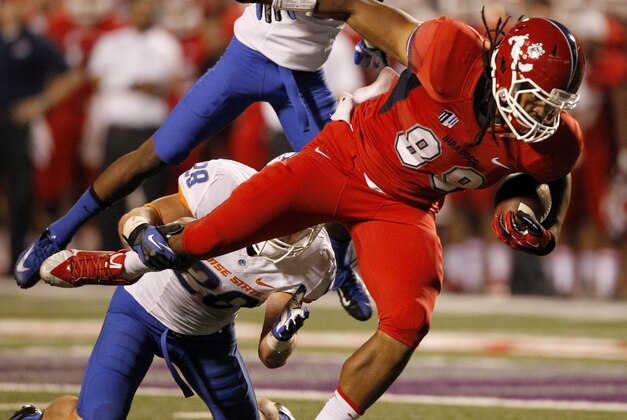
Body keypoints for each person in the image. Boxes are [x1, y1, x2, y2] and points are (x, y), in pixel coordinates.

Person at [105, 0, 586, 417]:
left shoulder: (555, 138)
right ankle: (108, 264)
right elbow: (357, 8)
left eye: (555, 105)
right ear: (504, 74)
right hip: (346, 157)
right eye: (538, 101)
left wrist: (538, 215)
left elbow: (546, 174)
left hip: (405, 205)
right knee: (212, 235)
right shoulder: (452, 53)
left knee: (409, 320)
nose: (545, 116)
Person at [15, 0, 376, 322]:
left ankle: (342, 268)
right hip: (247, 58)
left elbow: (369, 14)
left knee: (342, 180)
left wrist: (373, 37)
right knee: (154, 154)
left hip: (302, 72)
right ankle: (57, 233)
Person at [13, 157, 334, 420]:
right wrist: (141, 234)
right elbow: (138, 217)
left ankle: (269, 415)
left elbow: (269, 356)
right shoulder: (223, 185)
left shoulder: (315, 261)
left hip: (209, 338)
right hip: (140, 310)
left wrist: (281, 338)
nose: (292, 229)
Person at [0, 0, 82, 273]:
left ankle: (15, 260)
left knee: (22, 193)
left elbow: (69, 77)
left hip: (17, 124)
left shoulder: (34, 42)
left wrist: (41, 102)